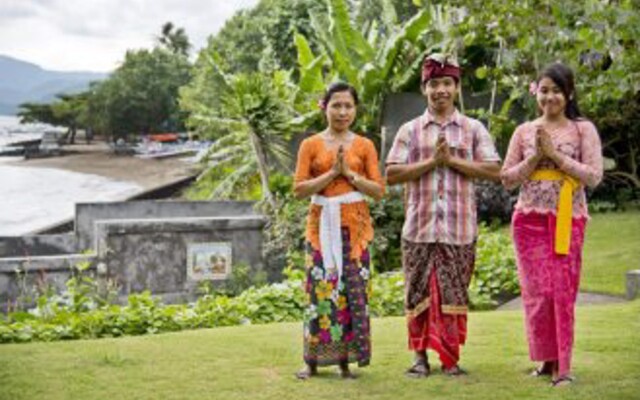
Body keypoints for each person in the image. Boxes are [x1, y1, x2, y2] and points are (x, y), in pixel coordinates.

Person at [385, 54, 501, 377]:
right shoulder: (410, 130)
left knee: (453, 294)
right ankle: (419, 360)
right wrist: (431, 163)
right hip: (419, 228)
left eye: (447, 83)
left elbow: (494, 170)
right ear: (425, 88)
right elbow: (391, 174)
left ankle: (451, 360)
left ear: (456, 87)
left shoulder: (473, 129)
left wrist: (452, 162)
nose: (441, 90)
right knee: (417, 293)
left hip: (458, 229)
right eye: (434, 84)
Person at [501, 62, 603, 387]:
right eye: (544, 90)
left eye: (556, 90)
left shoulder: (582, 129)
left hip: (567, 218)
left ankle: (565, 367)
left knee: (562, 292)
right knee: (537, 295)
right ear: (536, 92)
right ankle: (546, 361)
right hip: (527, 220)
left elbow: (593, 176)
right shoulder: (523, 131)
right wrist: (534, 158)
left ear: (569, 92)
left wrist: (556, 158)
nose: (550, 97)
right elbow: (506, 179)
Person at [293, 82, 385, 379]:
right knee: (320, 291)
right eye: (337, 105)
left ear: (355, 109)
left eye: (348, 106)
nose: (343, 111)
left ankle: (346, 361)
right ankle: (312, 362)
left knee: (351, 291)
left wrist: (350, 174)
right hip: (321, 227)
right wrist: (333, 174)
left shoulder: (364, 145)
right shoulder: (310, 145)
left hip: (356, 229)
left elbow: (378, 190)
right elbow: (298, 189)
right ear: (325, 107)